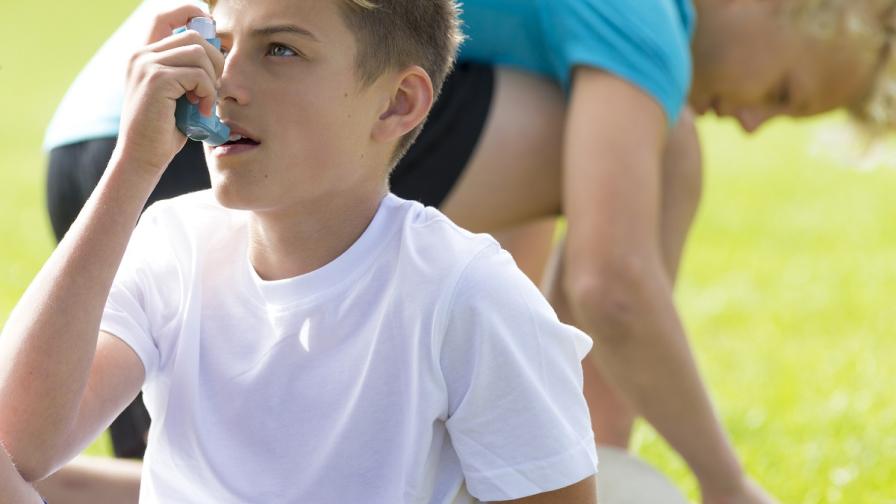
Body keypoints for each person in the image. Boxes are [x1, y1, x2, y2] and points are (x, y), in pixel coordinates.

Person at [0, 1, 600, 502]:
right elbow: (16, 446)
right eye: (220, 45)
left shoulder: (465, 294)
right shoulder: (174, 244)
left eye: (280, 50)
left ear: (397, 103)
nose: (224, 84)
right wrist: (133, 167)